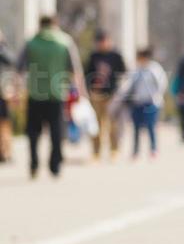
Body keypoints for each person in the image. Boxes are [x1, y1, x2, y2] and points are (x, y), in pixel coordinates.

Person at [17, 16, 82, 180]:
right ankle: (55, 164)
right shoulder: (65, 42)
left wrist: (18, 90)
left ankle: (33, 164)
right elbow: (74, 69)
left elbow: (19, 68)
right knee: (56, 131)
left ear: (40, 25)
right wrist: (79, 92)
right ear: (55, 24)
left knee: (33, 132)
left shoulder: (31, 43)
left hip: (35, 93)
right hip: (57, 93)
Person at [112, 46, 167, 159]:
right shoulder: (137, 70)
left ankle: (153, 149)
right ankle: (135, 151)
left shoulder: (154, 69)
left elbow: (161, 84)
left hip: (151, 102)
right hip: (137, 102)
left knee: (151, 126)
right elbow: (129, 85)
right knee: (136, 127)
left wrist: (156, 96)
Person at [84, 30, 128, 161]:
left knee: (113, 124)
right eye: (99, 42)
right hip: (96, 95)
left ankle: (114, 150)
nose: (102, 44)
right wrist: (89, 89)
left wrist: (119, 91)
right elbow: (87, 73)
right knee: (96, 125)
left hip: (112, 95)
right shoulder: (93, 56)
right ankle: (96, 152)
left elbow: (124, 73)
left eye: (104, 41)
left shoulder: (116, 56)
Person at [0, 31, 14, 164]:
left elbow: (11, 60)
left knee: (4, 122)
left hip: (2, 92)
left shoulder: (3, 51)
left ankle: (5, 152)